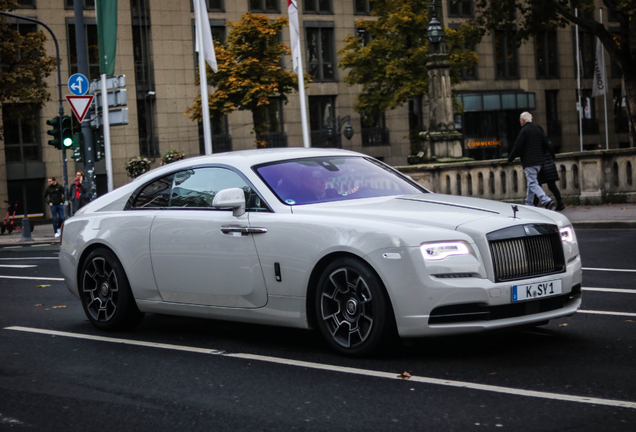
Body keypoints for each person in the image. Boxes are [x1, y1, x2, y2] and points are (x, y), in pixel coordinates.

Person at [507, 112, 555, 210]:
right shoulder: (537, 129)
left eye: (520, 119)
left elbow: (517, 146)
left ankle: (546, 200)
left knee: (532, 183)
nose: (520, 121)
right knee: (531, 183)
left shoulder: (524, 131)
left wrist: (510, 159)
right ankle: (529, 204)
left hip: (530, 162)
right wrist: (548, 155)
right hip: (539, 161)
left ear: (523, 120)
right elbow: (546, 144)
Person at [533, 128, 566, 211]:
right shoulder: (547, 139)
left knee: (537, 186)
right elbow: (552, 153)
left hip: (543, 166)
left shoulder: (538, 141)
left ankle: (534, 205)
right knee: (552, 186)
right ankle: (560, 203)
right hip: (550, 165)